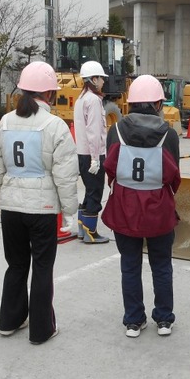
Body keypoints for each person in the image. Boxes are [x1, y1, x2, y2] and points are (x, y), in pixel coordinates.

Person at [0, 61, 78, 345]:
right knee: (41, 267)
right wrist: (70, 213)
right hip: (42, 210)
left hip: (11, 207)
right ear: (50, 94)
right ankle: (41, 330)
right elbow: (65, 176)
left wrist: (2, 197)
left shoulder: (4, 123)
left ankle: (9, 321)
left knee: (15, 265)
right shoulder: (55, 126)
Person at [102, 75, 181, 338]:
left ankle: (134, 321)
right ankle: (164, 319)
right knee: (161, 265)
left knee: (129, 265)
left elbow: (110, 171)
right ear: (159, 103)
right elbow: (174, 175)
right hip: (158, 208)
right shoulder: (168, 134)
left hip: (125, 208)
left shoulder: (115, 132)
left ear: (131, 103)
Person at [74, 60, 110, 244]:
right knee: (95, 192)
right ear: (93, 79)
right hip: (92, 154)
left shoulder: (80, 99)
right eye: (101, 78)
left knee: (89, 190)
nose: (103, 81)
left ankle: (82, 230)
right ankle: (91, 233)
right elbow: (94, 133)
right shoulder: (94, 101)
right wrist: (96, 159)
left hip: (81, 154)